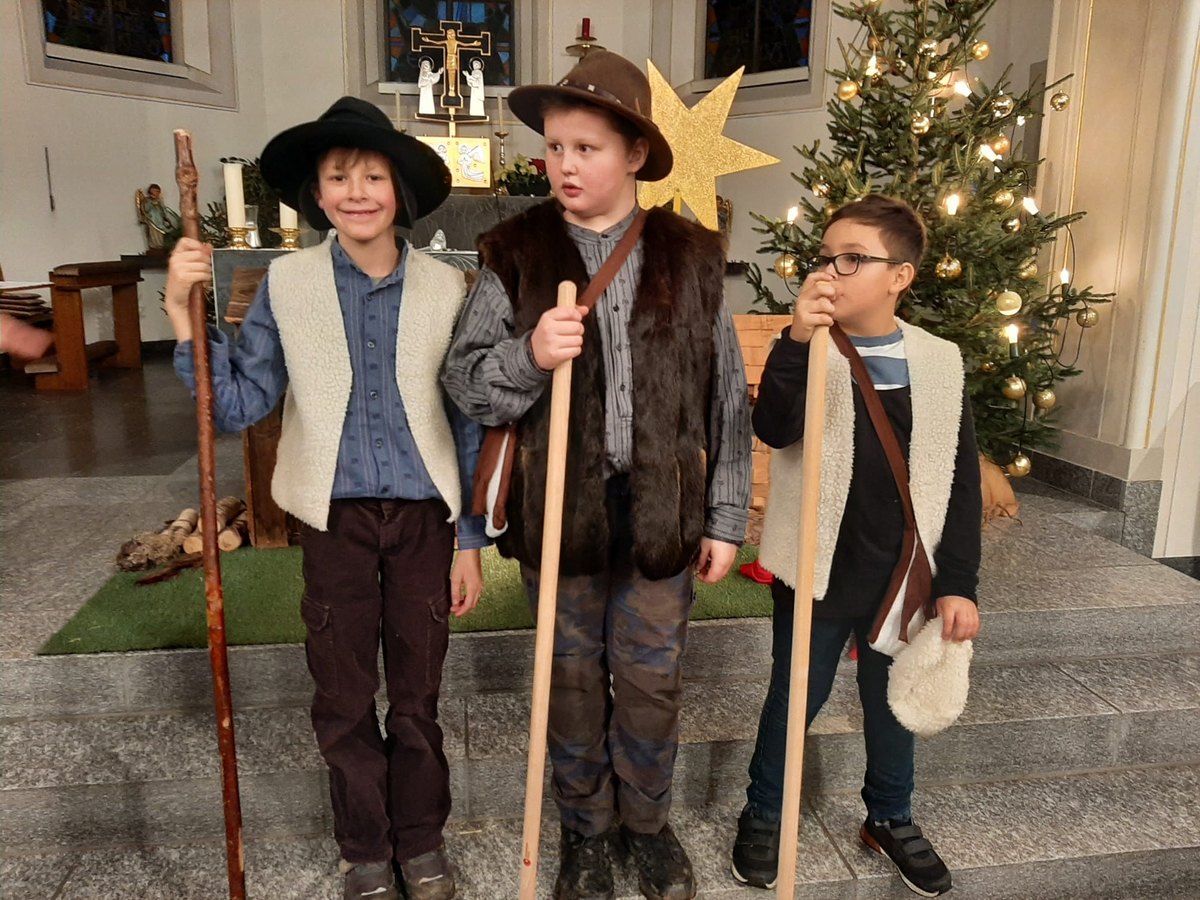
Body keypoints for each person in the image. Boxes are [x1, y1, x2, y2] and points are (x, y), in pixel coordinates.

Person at [443, 50, 752, 900]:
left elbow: (726, 399)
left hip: (661, 513)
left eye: (587, 148)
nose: (565, 165)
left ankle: (648, 827)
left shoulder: (691, 256)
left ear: (636, 154)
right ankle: (585, 830)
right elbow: (464, 381)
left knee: (652, 683)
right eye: (554, 147)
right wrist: (530, 355)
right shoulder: (515, 252)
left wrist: (726, 518)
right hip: (558, 514)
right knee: (570, 681)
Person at [164, 96, 485, 900]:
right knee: (342, 695)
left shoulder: (447, 288)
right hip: (336, 523)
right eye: (339, 177)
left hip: (425, 522)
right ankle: (366, 847)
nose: (356, 192)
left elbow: (467, 420)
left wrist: (471, 538)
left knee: (417, 695)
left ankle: (421, 841)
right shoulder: (289, 283)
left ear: (400, 191)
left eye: (373, 176)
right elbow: (239, 403)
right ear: (316, 192)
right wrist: (181, 314)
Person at [729, 194, 981, 897]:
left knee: (891, 698)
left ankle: (890, 815)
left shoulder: (939, 361)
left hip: (902, 571)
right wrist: (795, 340)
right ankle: (764, 810)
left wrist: (958, 583)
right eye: (825, 257)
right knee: (794, 696)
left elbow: (959, 482)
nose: (829, 271)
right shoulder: (810, 348)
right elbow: (774, 429)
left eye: (852, 259)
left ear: (899, 276)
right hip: (815, 567)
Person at [136, 183, 181, 251]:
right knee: (154, 233)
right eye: (155, 191)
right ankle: (155, 245)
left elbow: (163, 209)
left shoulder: (159, 201)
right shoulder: (147, 201)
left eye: (158, 191)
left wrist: (166, 217)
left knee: (162, 232)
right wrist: (152, 205)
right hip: (152, 220)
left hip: (160, 220)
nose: (156, 193)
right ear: (151, 191)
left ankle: (161, 244)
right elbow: (146, 209)